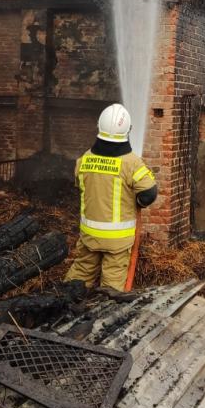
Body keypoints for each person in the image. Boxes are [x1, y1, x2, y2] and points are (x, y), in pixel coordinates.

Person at [64, 103, 157, 291]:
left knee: (80, 275)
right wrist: (137, 200)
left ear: (99, 126)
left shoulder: (84, 159)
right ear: (128, 130)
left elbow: (80, 185)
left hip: (89, 235)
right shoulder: (131, 163)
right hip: (118, 241)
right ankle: (106, 316)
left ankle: (64, 307)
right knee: (112, 288)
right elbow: (149, 194)